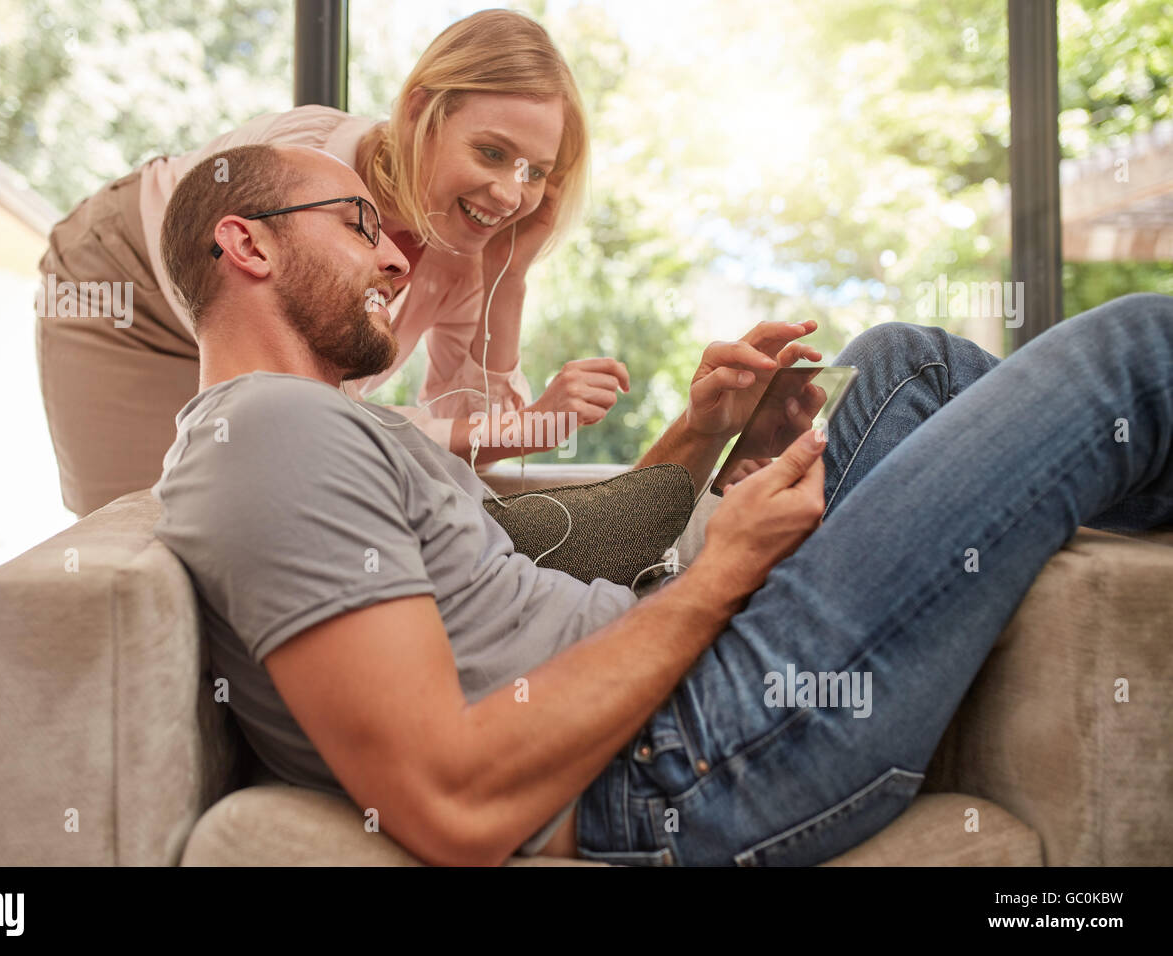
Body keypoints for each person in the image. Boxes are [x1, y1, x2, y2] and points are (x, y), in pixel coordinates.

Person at [151, 143, 1173, 865]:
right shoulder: (269, 438)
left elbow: (552, 561)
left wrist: (720, 442)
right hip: (687, 758)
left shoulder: (316, 432)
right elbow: (446, 799)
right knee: (1133, 351)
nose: (393, 258)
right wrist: (725, 568)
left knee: (906, 363)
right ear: (247, 246)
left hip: (674, 695)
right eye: (357, 225)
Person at [37, 9, 626, 518]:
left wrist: (510, 276)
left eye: (535, 172)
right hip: (126, 288)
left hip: (243, 346)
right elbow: (309, 402)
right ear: (421, 111)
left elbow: (478, 442)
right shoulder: (312, 162)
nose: (507, 193)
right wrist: (514, 428)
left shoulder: (467, 253)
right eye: (491, 152)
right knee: (143, 530)